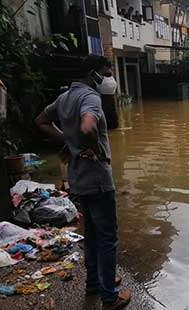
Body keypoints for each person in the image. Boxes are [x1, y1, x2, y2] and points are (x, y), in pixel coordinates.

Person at [35, 55, 131, 310]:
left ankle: (94, 283)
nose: (108, 78)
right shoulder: (90, 97)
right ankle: (109, 296)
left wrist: (68, 143)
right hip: (98, 179)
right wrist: (93, 148)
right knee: (108, 237)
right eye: (106, 73)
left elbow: (41, 121)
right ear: (93, 74)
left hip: (77, 179)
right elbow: (88, 127)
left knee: (91, 233)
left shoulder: (65, 97)